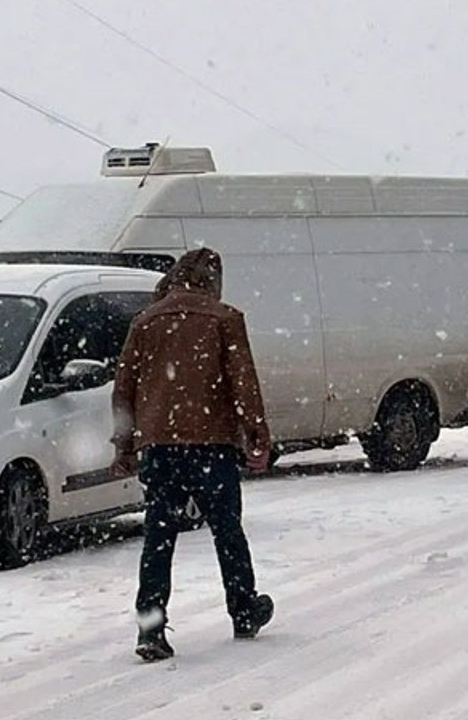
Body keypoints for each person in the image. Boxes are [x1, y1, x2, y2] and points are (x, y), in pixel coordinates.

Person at [111, 247, 274, 662]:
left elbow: (124, 388)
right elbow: (243, 383)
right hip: (211, 443)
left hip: (158, 447)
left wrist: (125, 443)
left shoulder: (145, 320)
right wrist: (256, 433)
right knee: (227, 531)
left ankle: (150, 629)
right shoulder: (224, 319)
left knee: (158, 538)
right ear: (212, 280)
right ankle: (243, 610)